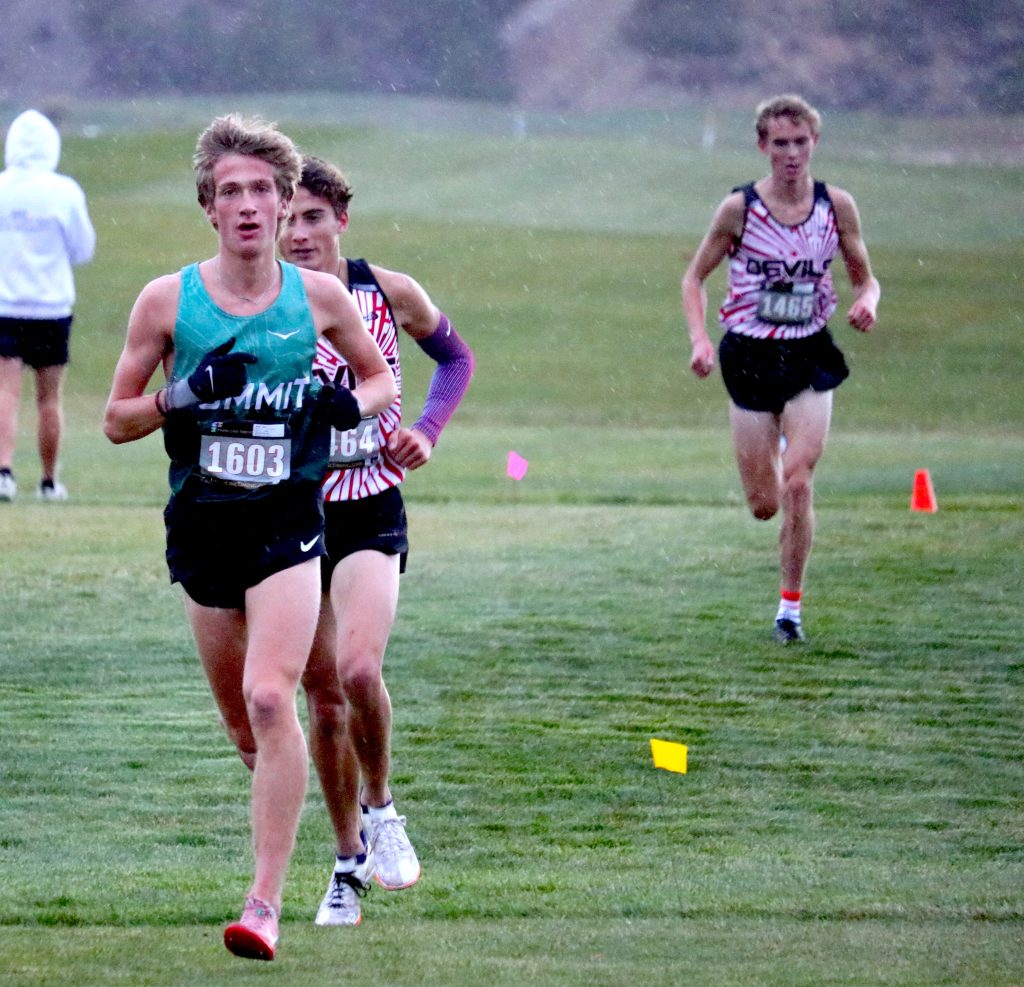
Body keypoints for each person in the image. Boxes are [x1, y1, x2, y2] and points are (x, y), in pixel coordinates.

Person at [103, 116, 397, 961]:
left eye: (262, 189)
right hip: (203, 527)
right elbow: (116, 419)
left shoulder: (319, 299)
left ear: (283, 201)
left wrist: (347, 405)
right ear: (208, 207)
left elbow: (379, 379)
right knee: (247, 730)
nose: (246, 204)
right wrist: (183, 394)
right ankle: (331, 833)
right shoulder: (167, 301)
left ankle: (263, 904)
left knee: (274, 698)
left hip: (287, 523)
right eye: (229, 191)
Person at [278, 155, 474, 927]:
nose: (298, 233)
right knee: (323, 702)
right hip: (291, 516)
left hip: (369, 506)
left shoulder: (388, 292)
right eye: (287, 219)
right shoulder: (262, 305)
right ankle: (345, 861)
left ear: (342, 219)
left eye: (312, 217)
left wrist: (427, 427)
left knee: (359, 669)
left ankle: (382, 805)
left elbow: (455, 357)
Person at [681, 94, 880, 644]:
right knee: (765, 505)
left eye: (801, 142)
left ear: (815, 143)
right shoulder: (739, 209)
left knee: (798, 483)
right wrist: (700, 340)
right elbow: (693, 278)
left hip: (808, 352)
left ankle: (789, 611)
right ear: (762, 146)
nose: (792, 154)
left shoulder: (836, 206)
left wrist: (867, 301)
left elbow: (865, 277)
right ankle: (777, 454)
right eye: (780, 143)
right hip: (748, 356)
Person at [0, 109, 95, 501]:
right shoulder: (64, 192)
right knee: (49, 399)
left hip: (5, 304)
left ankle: (3, 472)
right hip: (51, 306)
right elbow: (83, 248)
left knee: (5, 393)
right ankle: (49, 481)